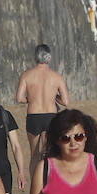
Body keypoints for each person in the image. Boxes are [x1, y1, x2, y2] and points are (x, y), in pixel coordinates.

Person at [16, 44, 71, 175]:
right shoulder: (57, 76)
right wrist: (53, 97)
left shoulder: (27, 75)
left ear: (36, 57)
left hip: (33, 116)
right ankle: (49, 182)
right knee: (50, 153)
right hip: (51, 116)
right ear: (49, 58)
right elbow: (66, 102)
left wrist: (32, 99)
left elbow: (19, 98)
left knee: (34, 155)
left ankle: (35, 186)